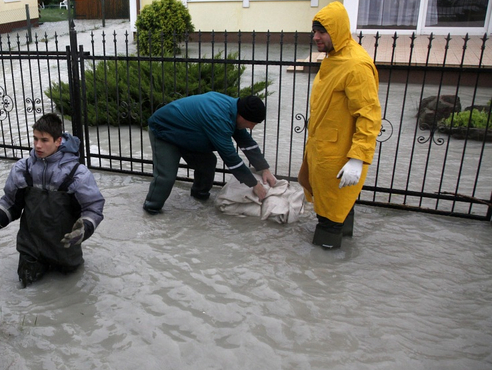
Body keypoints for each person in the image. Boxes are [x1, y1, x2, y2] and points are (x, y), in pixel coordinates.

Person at [0, 113, 105, 288]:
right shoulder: (23, 169)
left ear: (58, 141)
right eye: (35, 139)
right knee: (26, 294)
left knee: (72, 293)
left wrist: (84, 229)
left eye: (44, 140)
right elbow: (10, 202)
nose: (38, 145)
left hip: (65, 250)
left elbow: (93, 208)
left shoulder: (78, 173)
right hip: (31, 250)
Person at [297, 2, 382, 250]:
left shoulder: (356, 66)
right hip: (323, 151)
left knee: (329, 218)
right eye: (314, 32)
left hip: (339, 157)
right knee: (337, 207)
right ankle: (340, 253)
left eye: (321, 32)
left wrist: (358, 158)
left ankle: (321, 275)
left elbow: (369, 116)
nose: (316, 37)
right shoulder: (335, 58)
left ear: (338, 30)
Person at [143, 93, 278, 214]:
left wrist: (264, 169)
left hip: (187, 135)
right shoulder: (218, 117)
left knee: (207, 162)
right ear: (242, 115)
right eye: (251, 123)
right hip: (164, 131)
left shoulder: (234, 111)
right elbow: (230, 157)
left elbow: (247, 143)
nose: (251, 127)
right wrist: (254, 184)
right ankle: (151, 209)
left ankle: (199, 198)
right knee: (166, 176)